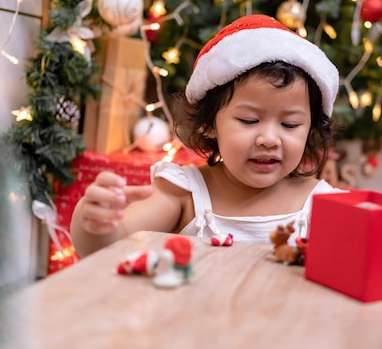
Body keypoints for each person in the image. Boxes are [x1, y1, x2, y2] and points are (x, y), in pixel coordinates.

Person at [71, 14, 343, 257]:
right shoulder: (183, 193)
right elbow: (110, 247)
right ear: (209, 124)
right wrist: (95, 224)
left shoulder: (322, 205)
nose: (269, 139)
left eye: (290, 125)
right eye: (249, 120)